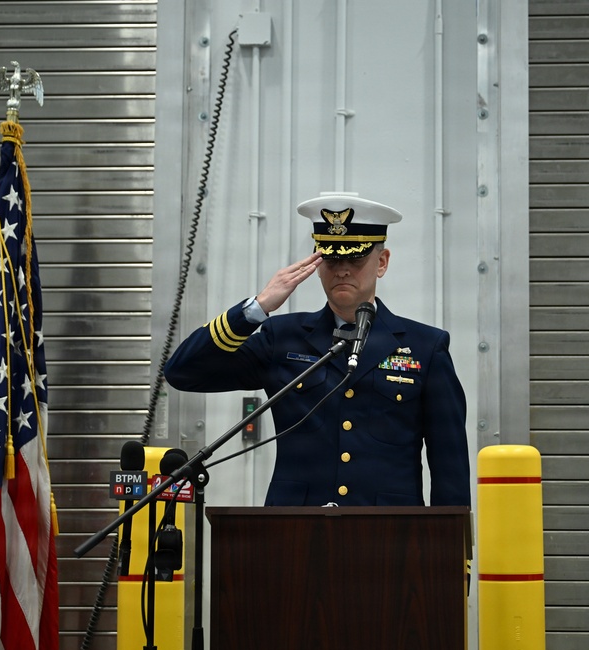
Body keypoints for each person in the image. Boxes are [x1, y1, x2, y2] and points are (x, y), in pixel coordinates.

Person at [163, 193, 470, 507]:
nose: (343, 270)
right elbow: (183, 372)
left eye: (355, 258)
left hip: (390, 535)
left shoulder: (424, 346)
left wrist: (451, 550)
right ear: (318, 265)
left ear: (381, 262)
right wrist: (258, 307)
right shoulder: (282, 338)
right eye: (333, 258)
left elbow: (450, 462)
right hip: (295, 532)